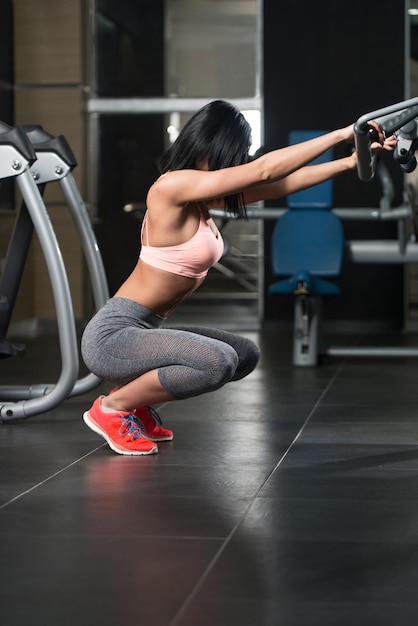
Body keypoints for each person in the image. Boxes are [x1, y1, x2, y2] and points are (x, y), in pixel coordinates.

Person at [81, 99, 396, 456]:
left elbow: (279, 186)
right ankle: (113, 407)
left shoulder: (203, 198)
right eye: (235, 152)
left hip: (145, 331)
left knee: (244, 354)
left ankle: (136, 405)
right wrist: (341, 134)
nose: (238, 161)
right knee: (217, 361)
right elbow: (264, 172)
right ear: (214, 145)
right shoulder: (171, 187)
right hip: (114, 337)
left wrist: (351, 160)